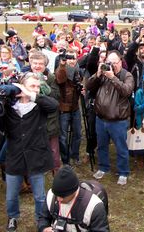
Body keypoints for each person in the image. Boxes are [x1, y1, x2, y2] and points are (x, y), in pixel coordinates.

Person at [3, 73, 59, 231]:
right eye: (31, 86)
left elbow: (54, 105)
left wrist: (32, 94)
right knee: (11, 194)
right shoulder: (10, 106)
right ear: (21, 86)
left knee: (40, 195)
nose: (35, 89)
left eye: (37, 87)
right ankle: (12, 216)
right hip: (15, 155)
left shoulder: (39, 105)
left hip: (36, 155)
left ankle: (40, 218)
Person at [86, 50, 134, 185]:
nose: (112, 65)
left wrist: (113, 77)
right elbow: (89, 86)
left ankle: (123, 172)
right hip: (101, 118)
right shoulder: (103, 74)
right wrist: (98, 74)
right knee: (101, 145)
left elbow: (126, 91)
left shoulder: (127, 75)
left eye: (114, 63)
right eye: (109, 62)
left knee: (121, 147)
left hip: (118, 120)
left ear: (120, 62)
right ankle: (103, 167)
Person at [37, 165, 109, 232]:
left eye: (63, 196)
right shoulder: (51, 195)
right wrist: (44, 228)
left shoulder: (93, 206)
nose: (59, 199)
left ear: (74, 191)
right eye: (57, 195)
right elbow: (43, 217)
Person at [55, 50, 83, 165]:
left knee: (78, 133)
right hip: (64, 108)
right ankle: (65, 159)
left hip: (75, 107)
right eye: (69, 58)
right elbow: (60, 79)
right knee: (63, 136)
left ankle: (75, 155)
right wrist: (62, 65)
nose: (72, 60)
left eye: (74, 58)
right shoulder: (61, 69)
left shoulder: (78, 70)